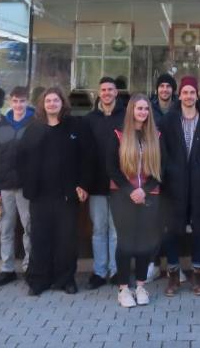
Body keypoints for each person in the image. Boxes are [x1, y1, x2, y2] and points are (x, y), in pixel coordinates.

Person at [19, 87, 91, 296]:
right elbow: (21, 159)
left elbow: (87, 159)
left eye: (55, 100)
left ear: (62, 104)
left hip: (66, 196)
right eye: (48, 101)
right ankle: (39, 280)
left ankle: (66, 280)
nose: (52, 104)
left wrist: (83, 184)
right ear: (43, 104)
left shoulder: (74, 127)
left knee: (66, 241)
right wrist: (28, 184)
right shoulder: (34, 129)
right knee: (39, 239)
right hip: (40, 196)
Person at [160, 76, 200, 297]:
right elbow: (161, 149)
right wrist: (170, 170)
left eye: (192, 92)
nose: (188, 96)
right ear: (180, 95)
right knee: (172, 231)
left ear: (197, 95)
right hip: (174, 185)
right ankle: (173, 276)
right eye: (185, 92)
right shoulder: (168, 120)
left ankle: (197, 276)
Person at [107, 94, 164, 308]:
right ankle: (123, 288)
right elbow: (111, 167)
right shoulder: (117, 134)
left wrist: (145, 190)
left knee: (144, 242)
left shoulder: (156, 136)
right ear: (131, 110)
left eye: (146, 109)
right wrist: (131, 190)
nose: (143, 112)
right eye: (139, 108)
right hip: (122, 195)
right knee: (126, 241)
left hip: (150, 195)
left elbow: (161, 169)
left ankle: (140, 286)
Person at [0, 86, 35, 286]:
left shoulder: (35, 124)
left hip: (26, 186)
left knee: (29, 228)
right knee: (5, 228)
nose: (18, 105)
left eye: (22, 101)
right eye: (15, 101)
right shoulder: (1, 125)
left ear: (27, 102)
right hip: (4, 186)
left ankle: (29, 267)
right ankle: (7, 268)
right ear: (9, 102)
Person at [83, 77, 124, 289]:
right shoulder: (90, 119)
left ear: (116, 92)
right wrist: (83, 183)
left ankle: (117, 271)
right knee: (99, 229)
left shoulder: (126, 117)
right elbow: (84, 153)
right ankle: (100, 272)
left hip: (119, 184)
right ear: (99, 93)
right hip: (96, 183)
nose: (107, 93)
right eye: (103, 90)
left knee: (116, 230)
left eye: (110, 89)